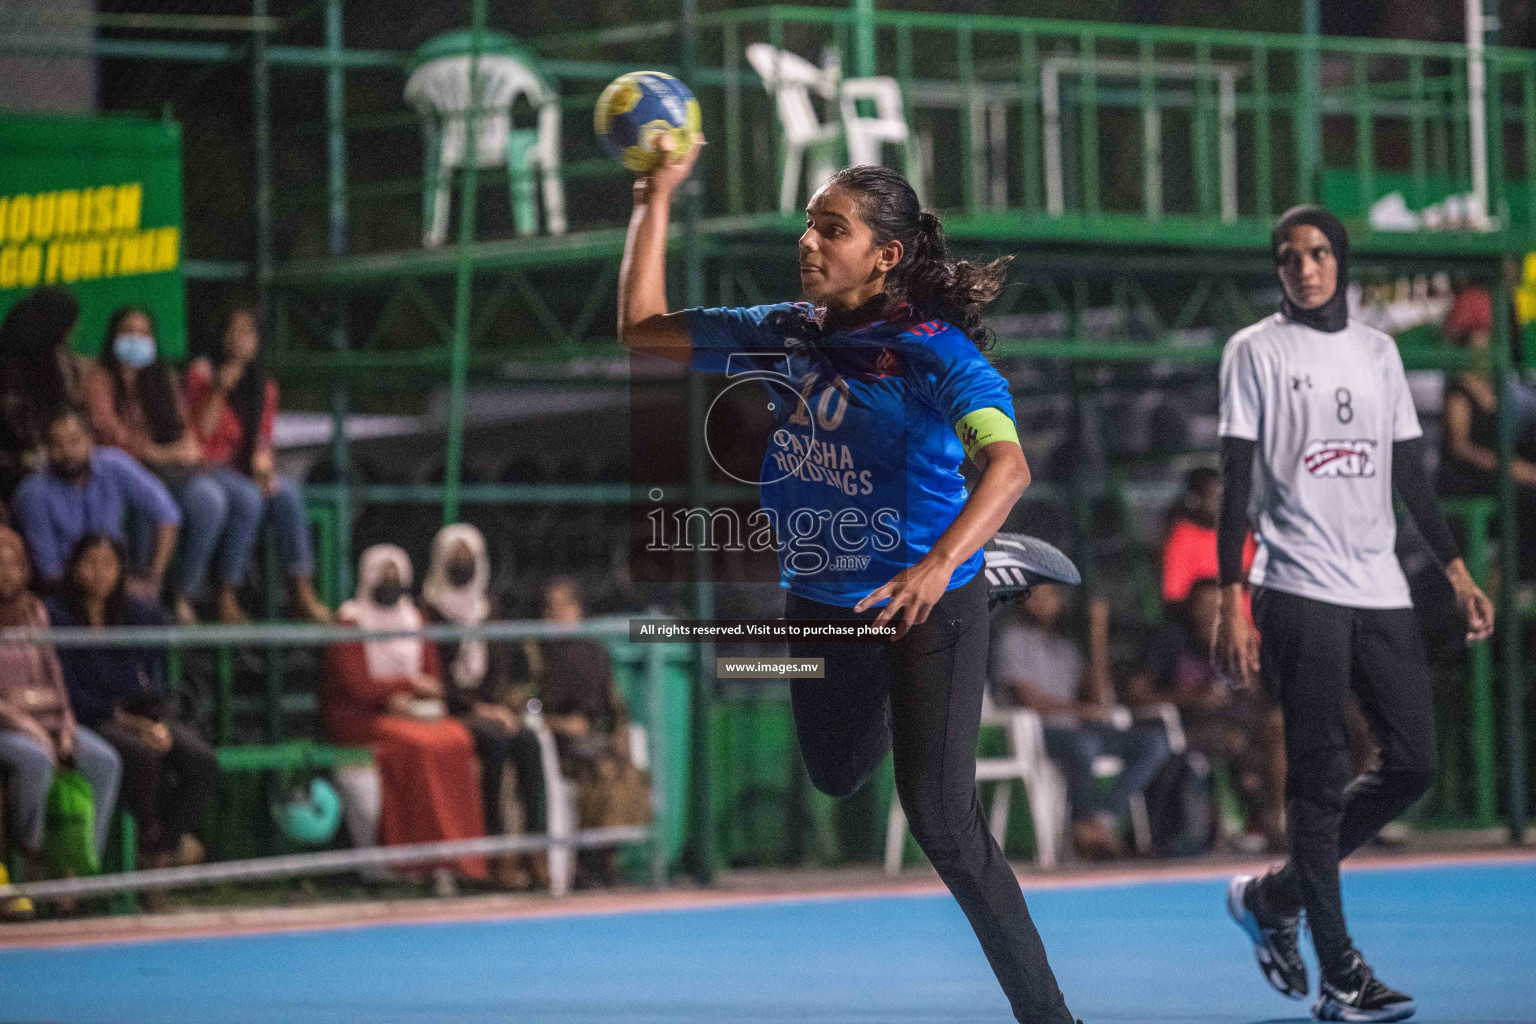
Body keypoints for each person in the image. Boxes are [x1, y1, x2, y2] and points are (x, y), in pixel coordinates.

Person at [617, 141, 1081, 1023]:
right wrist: (654, 196)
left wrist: (942, 564)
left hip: (928, 595)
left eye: (832, 230)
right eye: (808, 226)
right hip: (828, 599)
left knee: (942, 821)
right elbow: (642, 328)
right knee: (835, 774)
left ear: (886, 255)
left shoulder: (932, 353)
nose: (809, 243)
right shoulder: (786, 328)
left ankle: (1051, 1018)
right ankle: (985, 567)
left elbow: (1009, 468)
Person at [1215, 205, 1495, 1022]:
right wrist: (1235, 594)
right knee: (1318, 778)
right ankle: (1341, 979)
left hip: (1380, 586)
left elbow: (1410, 474)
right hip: (1296, 586)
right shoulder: (1253, 351)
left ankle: (1273, 897)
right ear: (1279, 271)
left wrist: (1455, 568)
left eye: (1318, 253)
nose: (1304, 267)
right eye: (1288, 256)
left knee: (1413, 764)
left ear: (1341, 261)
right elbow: (1234, 479)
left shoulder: (1380, 352)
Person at [46, 532, 219, 871]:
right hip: (91, 716)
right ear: (74, 567)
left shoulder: (138, 613)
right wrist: (134, 724)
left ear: (121, 570)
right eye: (90, 563)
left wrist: (157, 723)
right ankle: (152, 838)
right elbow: (70, 691)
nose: (99, 573)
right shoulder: (57, 615)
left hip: (143, 712)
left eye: (108, 564)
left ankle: (161, 846)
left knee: (201, 760)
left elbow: (149, 681)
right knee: (143, 755)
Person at [84, 306, 263, 626]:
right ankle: (144, 590)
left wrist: (185, 446)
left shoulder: (160, 376)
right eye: (129, 331)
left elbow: (184, 428)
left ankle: (193, 592)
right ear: (113, 336)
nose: (136, 339)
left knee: (240, 496)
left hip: (171, 470)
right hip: (128, 470)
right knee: (207, 497)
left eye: (143, 333)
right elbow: (107, 432)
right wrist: (156, 452)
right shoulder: (100, 378)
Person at [323, 544, 487, 890]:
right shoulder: (350, 621)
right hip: (363, 720)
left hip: (413, 716)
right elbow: (358, 686)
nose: (391, 582)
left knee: (457, 739)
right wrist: (404, 687)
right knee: (419, 747)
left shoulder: (415, 620)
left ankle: (454, 860)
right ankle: (414, 862)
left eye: (397, 576)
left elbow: (433, 679)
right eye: (384, 575)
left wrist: (413, 694)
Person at [990, 585, 1171, 860]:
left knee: (1153, 742)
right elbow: (1029, 701)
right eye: (1037, 597)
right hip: (1037, 731)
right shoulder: (1013, 640)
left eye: (1050, 596)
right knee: (1084, 744)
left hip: (1077, 728)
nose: (1044, 603)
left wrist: (1097, 636)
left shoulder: (1065, 648)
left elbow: (1098, 698)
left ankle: (1098, 822)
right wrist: (1082, 711)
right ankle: (1086, 826)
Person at [185, 302, 330, 624]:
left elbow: (263, 439)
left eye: (247, 332)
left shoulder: (264, 385)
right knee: (247, 496)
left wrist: (264, 466)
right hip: (206, 470)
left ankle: (301, 587)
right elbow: (200, 437)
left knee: (287, 493)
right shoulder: (202, 373)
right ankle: (227, 591)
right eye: (233, 331)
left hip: (243, 469)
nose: (240, 339)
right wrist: (219, 390)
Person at [420, 523, 546, 889]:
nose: (462, 563)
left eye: (469, 557)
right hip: (452, 710)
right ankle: (492, 856)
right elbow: (433, 673)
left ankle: (536, 851)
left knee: (528, 742)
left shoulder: (489, 610)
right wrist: (476, 709)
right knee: (495, 745)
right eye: (455, 557)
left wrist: (499, 706)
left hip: (490, 710)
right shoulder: (428, 612)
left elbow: (501, 666)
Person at [0, 527, 122, 890]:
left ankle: (76, 875)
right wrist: (35, 731)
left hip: (50, 721)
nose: (6, 572)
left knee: (104, 760)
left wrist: (66, 732)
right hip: (10, 727)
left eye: (12, 564)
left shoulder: (36, 611)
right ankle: (33, 853)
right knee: (34, 759)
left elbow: (56, 680)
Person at [1127, 577, 1285, 852]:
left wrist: (1243, 659)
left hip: (1238, 722)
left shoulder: (1233, 639)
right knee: (1236, 742)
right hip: (1185, 726)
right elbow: (1136, 694)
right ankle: (1252, 818)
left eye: (1218, 607)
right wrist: (1193, 698)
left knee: (1279, 727)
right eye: (1204, 605)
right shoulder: (1169, 640)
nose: (1210, 613)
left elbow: (1258, 696)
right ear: (1189, 608)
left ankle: (1277, 820)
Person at [522, 574, 648, 888]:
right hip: (556, 742)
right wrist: (558, 723)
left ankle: (606, 857)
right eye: (550, 608)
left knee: (623, 770)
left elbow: (615, 705)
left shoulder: (594, 651)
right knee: (599, 773)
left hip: (594, 739)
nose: (557, 615)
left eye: (565, 606)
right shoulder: (535, 652)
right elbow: (524, 704)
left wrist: (621, 732)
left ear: (579, 610)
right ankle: (587, 864)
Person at [13, 406, 180, 599]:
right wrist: (101, 586)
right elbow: (49, 573)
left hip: (116, 583)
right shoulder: (32, 493)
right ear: (46, 448)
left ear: (89, 439)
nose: (67, 451)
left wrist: (152, 579)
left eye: (74, 441)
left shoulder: (114, 465)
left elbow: (167, 514)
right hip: (65, 593)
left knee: (153, 617)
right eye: (57, 444)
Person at [1436, 284, 1536, 581]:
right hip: (1466, 479)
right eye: (1481, 337)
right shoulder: (1459, 389)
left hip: (1496, 473)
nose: (1486, 346)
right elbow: (1460, 448)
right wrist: (1511, 468)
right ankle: (1509, 577)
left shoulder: (1499, 388)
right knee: (1525, 497)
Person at [0, 287, 87, 502]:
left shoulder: (61, 362)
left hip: (54, 457)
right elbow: (23, 435)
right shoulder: (11, 374)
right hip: (19, 469)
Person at [1161, 466, 1255, 606]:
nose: (1223, 505)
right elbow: (1175, 595)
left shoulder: (1240, 532)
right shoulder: (1183, 535)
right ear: (1195, 501)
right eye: (1215, 498)